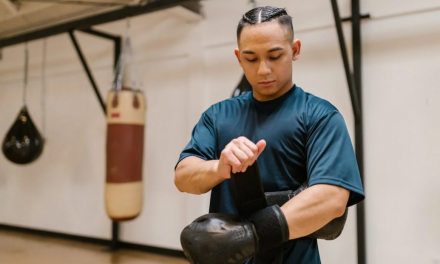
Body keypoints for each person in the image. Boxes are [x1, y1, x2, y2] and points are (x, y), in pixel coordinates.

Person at [174, 6, 365, 264]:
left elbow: (332, 198)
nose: (263, 69)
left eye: (274, 56)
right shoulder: (217, 115)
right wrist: (219, 167)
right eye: (251, 59)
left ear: (295, 50)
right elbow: (183, 176)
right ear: (239, 57)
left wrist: (250, 234)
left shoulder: (320, 115)